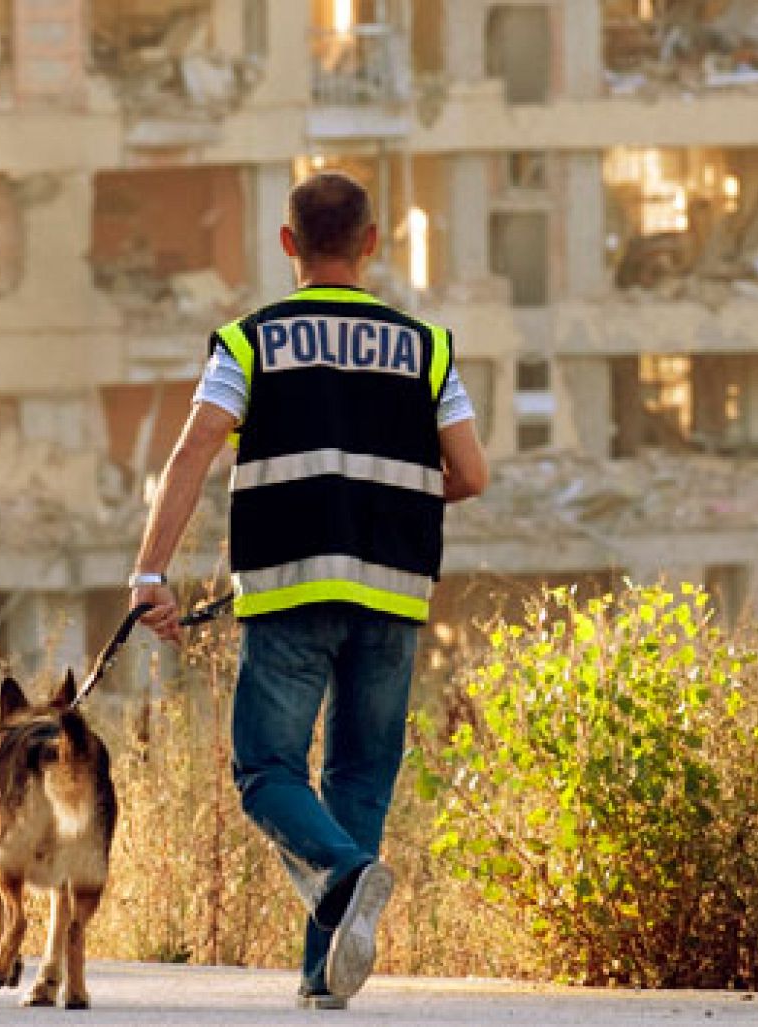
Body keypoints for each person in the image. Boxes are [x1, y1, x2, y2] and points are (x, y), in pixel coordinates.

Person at [128, 171, 489, 1010]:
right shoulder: (426, 347)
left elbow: (193, 450)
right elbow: (471, 472)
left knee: (265, 766)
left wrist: (151, 574)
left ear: (287, 243)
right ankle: (322, 977)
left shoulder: (250, 342)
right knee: (360, 777)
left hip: (290, 589)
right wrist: (383, 500)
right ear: (371, 241)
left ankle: (345, 873)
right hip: (393, 593)